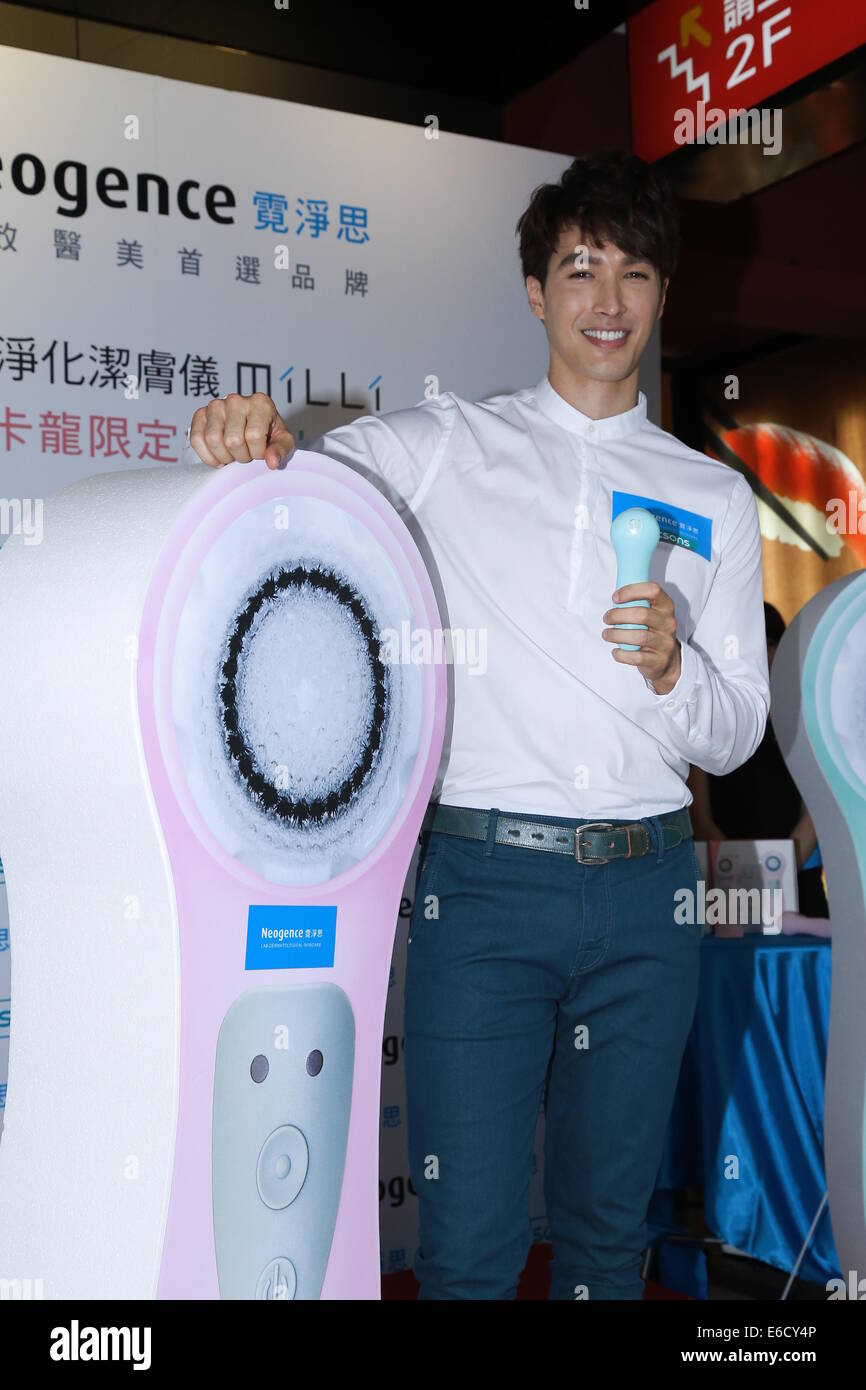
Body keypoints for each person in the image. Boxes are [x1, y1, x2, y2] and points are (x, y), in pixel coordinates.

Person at [187, 153, 770, 1300]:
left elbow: (737, 729)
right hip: (483, 889)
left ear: (659, 298)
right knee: (468, 1252)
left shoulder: (713, 495)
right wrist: (247, 429)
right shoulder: (453, 442)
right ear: (533, 290)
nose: (606, 302)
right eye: (578, 268)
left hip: (649, 895)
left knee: (609, 1243)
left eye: (633, 275)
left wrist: (672, 672)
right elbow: (293, 474)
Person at [687, 602, 828, 918]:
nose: (761, 656)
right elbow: (700, 817)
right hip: (724, 883)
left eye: (770, 643)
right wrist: (739, 872)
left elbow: (814, 811)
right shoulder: (708, 717)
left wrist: (780, 871)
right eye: (751, 645)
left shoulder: (805, 721)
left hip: (798, 879)